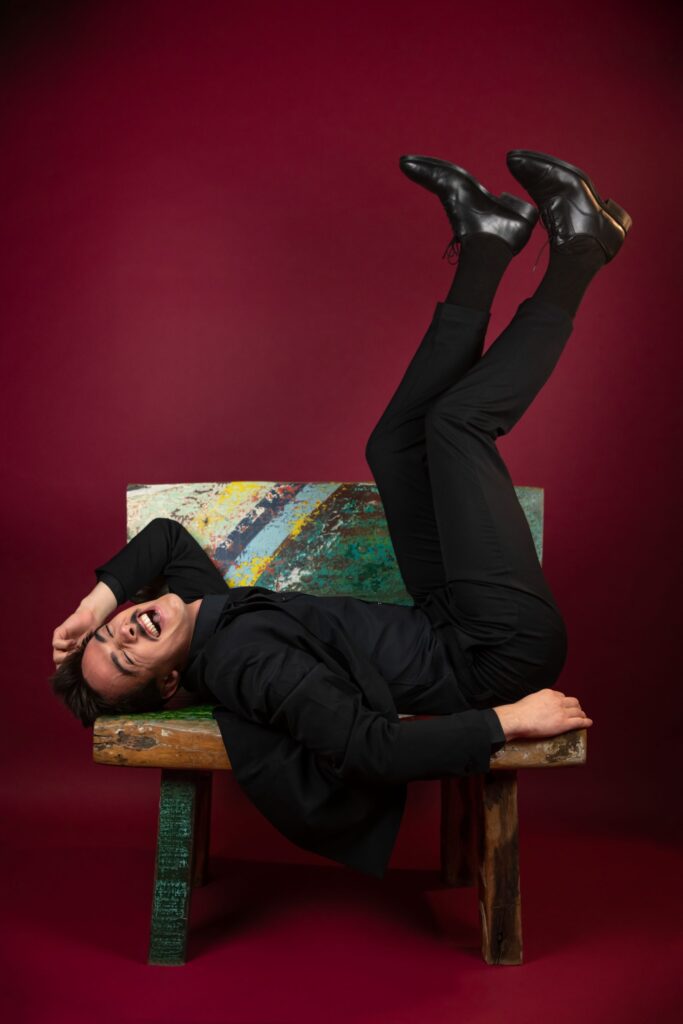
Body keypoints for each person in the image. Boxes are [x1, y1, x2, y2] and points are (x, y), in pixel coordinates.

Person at [50, 149, 630, 877]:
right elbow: (366, 749)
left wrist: (92, 604)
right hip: (496, 650)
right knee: (457, 425)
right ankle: (582, 250)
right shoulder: (245, 663)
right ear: (168, 684)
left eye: (112, 630)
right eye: (125, 655)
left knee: (393, 446)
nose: (126, 628)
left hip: (447, 618)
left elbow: (165, 538)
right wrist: (506, 722)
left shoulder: (207, 617)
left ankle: (487, 240)